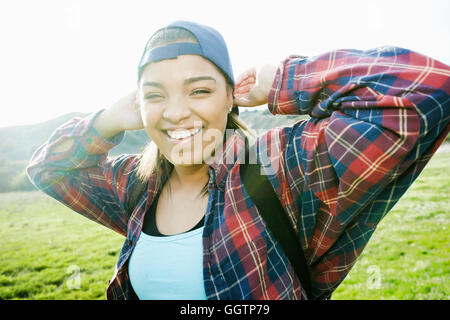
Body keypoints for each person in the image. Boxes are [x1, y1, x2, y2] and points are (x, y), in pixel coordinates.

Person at [27, 20, 450, 300]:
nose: (174, 112)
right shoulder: (135, 184)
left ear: (231, 96)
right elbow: (48, 169)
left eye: (199, 91)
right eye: (155, 95)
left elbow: (429, 90)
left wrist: (285, 81)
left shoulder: (280, 167)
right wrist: (104, 121)